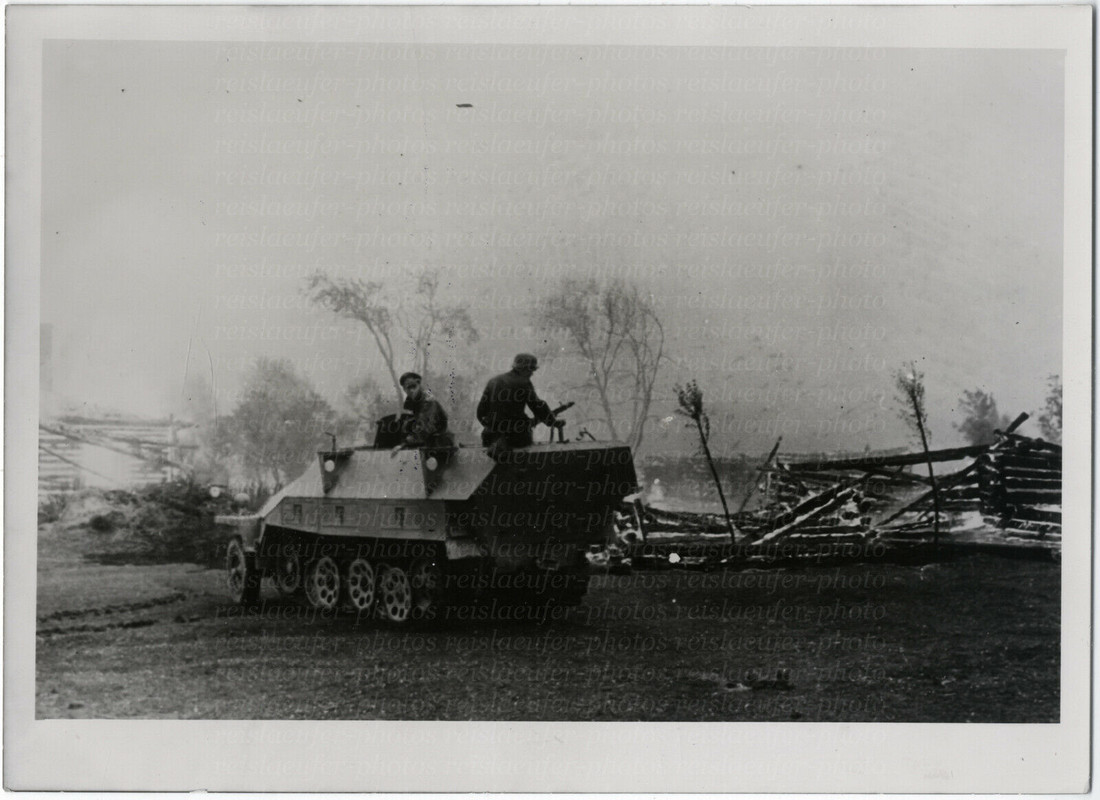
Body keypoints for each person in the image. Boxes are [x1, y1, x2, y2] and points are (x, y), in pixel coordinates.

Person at [476, 353, 561, 452]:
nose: (532, 374)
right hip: (516, 439)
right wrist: (552, 422)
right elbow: (537, 406)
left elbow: (480, 413)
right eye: (531, 370)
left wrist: (492, 427)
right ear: (524, 369)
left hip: (491, 438)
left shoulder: (493, 381)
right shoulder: (523, 383)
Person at [390, 372, 450, 456]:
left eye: (414, 386)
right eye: (408, 388)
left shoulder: (428, 401)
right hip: (428, 446)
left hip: (441, 448)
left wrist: (404, 444)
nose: (411, 390)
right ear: (404, 389)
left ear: (418, 384)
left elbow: (424, 428)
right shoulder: (414, 404)